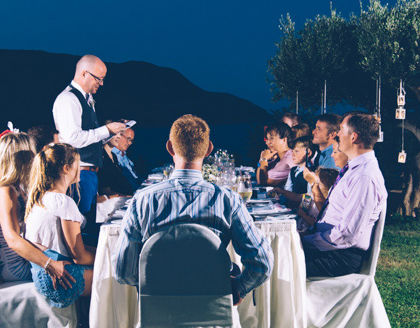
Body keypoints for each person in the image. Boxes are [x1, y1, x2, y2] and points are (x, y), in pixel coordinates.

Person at [113, 114, 272, 305]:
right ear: (208, 150)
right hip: (215, 318)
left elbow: (123, 271)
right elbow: (261, 262)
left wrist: (157, 284)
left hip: (159, 319)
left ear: (170, 147)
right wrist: (238, 287)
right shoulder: (228, 200)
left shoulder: (143, 201)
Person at [0, 130, 74, 289]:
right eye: (31, 154)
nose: (35, 158)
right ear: (21, 159)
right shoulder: (5, 193)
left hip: (23, 259)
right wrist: (50, 264)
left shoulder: (12, 188)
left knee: (75, 260)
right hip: (16, 267)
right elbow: (13, 240)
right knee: (79, 272)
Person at [301, 113, 387, 278]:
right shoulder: (353, 169)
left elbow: (347, 235)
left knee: (280, 265)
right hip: (330, 248)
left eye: (341, 130)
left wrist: (307, 241)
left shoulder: (364, 177)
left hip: (340, 257)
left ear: (353, 137)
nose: (338, 135)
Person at [52, 54, 128, 216]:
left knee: (89, 219)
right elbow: (73, 138)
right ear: (84, 73)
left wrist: (112, 131)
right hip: (78, 174)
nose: (101, 83)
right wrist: (106, 129)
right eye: (98, 79)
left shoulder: (87, 99)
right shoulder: (68, 99)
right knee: (80, 222)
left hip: (90, 173)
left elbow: (89, 137)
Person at [24, 143, 96, 307]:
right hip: (61, 279)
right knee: (119, 277)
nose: (81, 167)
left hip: (42, 274)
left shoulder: (39, 198)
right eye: (78, 163)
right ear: (66, 168)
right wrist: (108, 257)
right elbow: (79, 257)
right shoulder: (62, 202)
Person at [271, 136, 315, 209]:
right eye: (292, 151)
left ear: (309, 153)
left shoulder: (311, 173)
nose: (293, 155)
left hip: (303, 212)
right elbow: (287, 191)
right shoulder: (293, 171)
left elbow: (309, 196)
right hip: (290, 209)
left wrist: (303, 213)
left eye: (296, 151)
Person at [99, 126, 141, 195]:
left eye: (131, 140)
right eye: (128, 139)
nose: (129, 143)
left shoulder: (114, 156)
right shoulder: (103, 157)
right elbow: (106, 189)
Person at [256, 122, 295, 187]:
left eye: (271, 138)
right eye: (267, 139)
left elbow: (264, 182)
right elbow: (259, 180)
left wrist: (263, 159)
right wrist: (262, 160)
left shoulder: (289, 158)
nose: (267, 142)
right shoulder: (278, 158)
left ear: (284, 140)